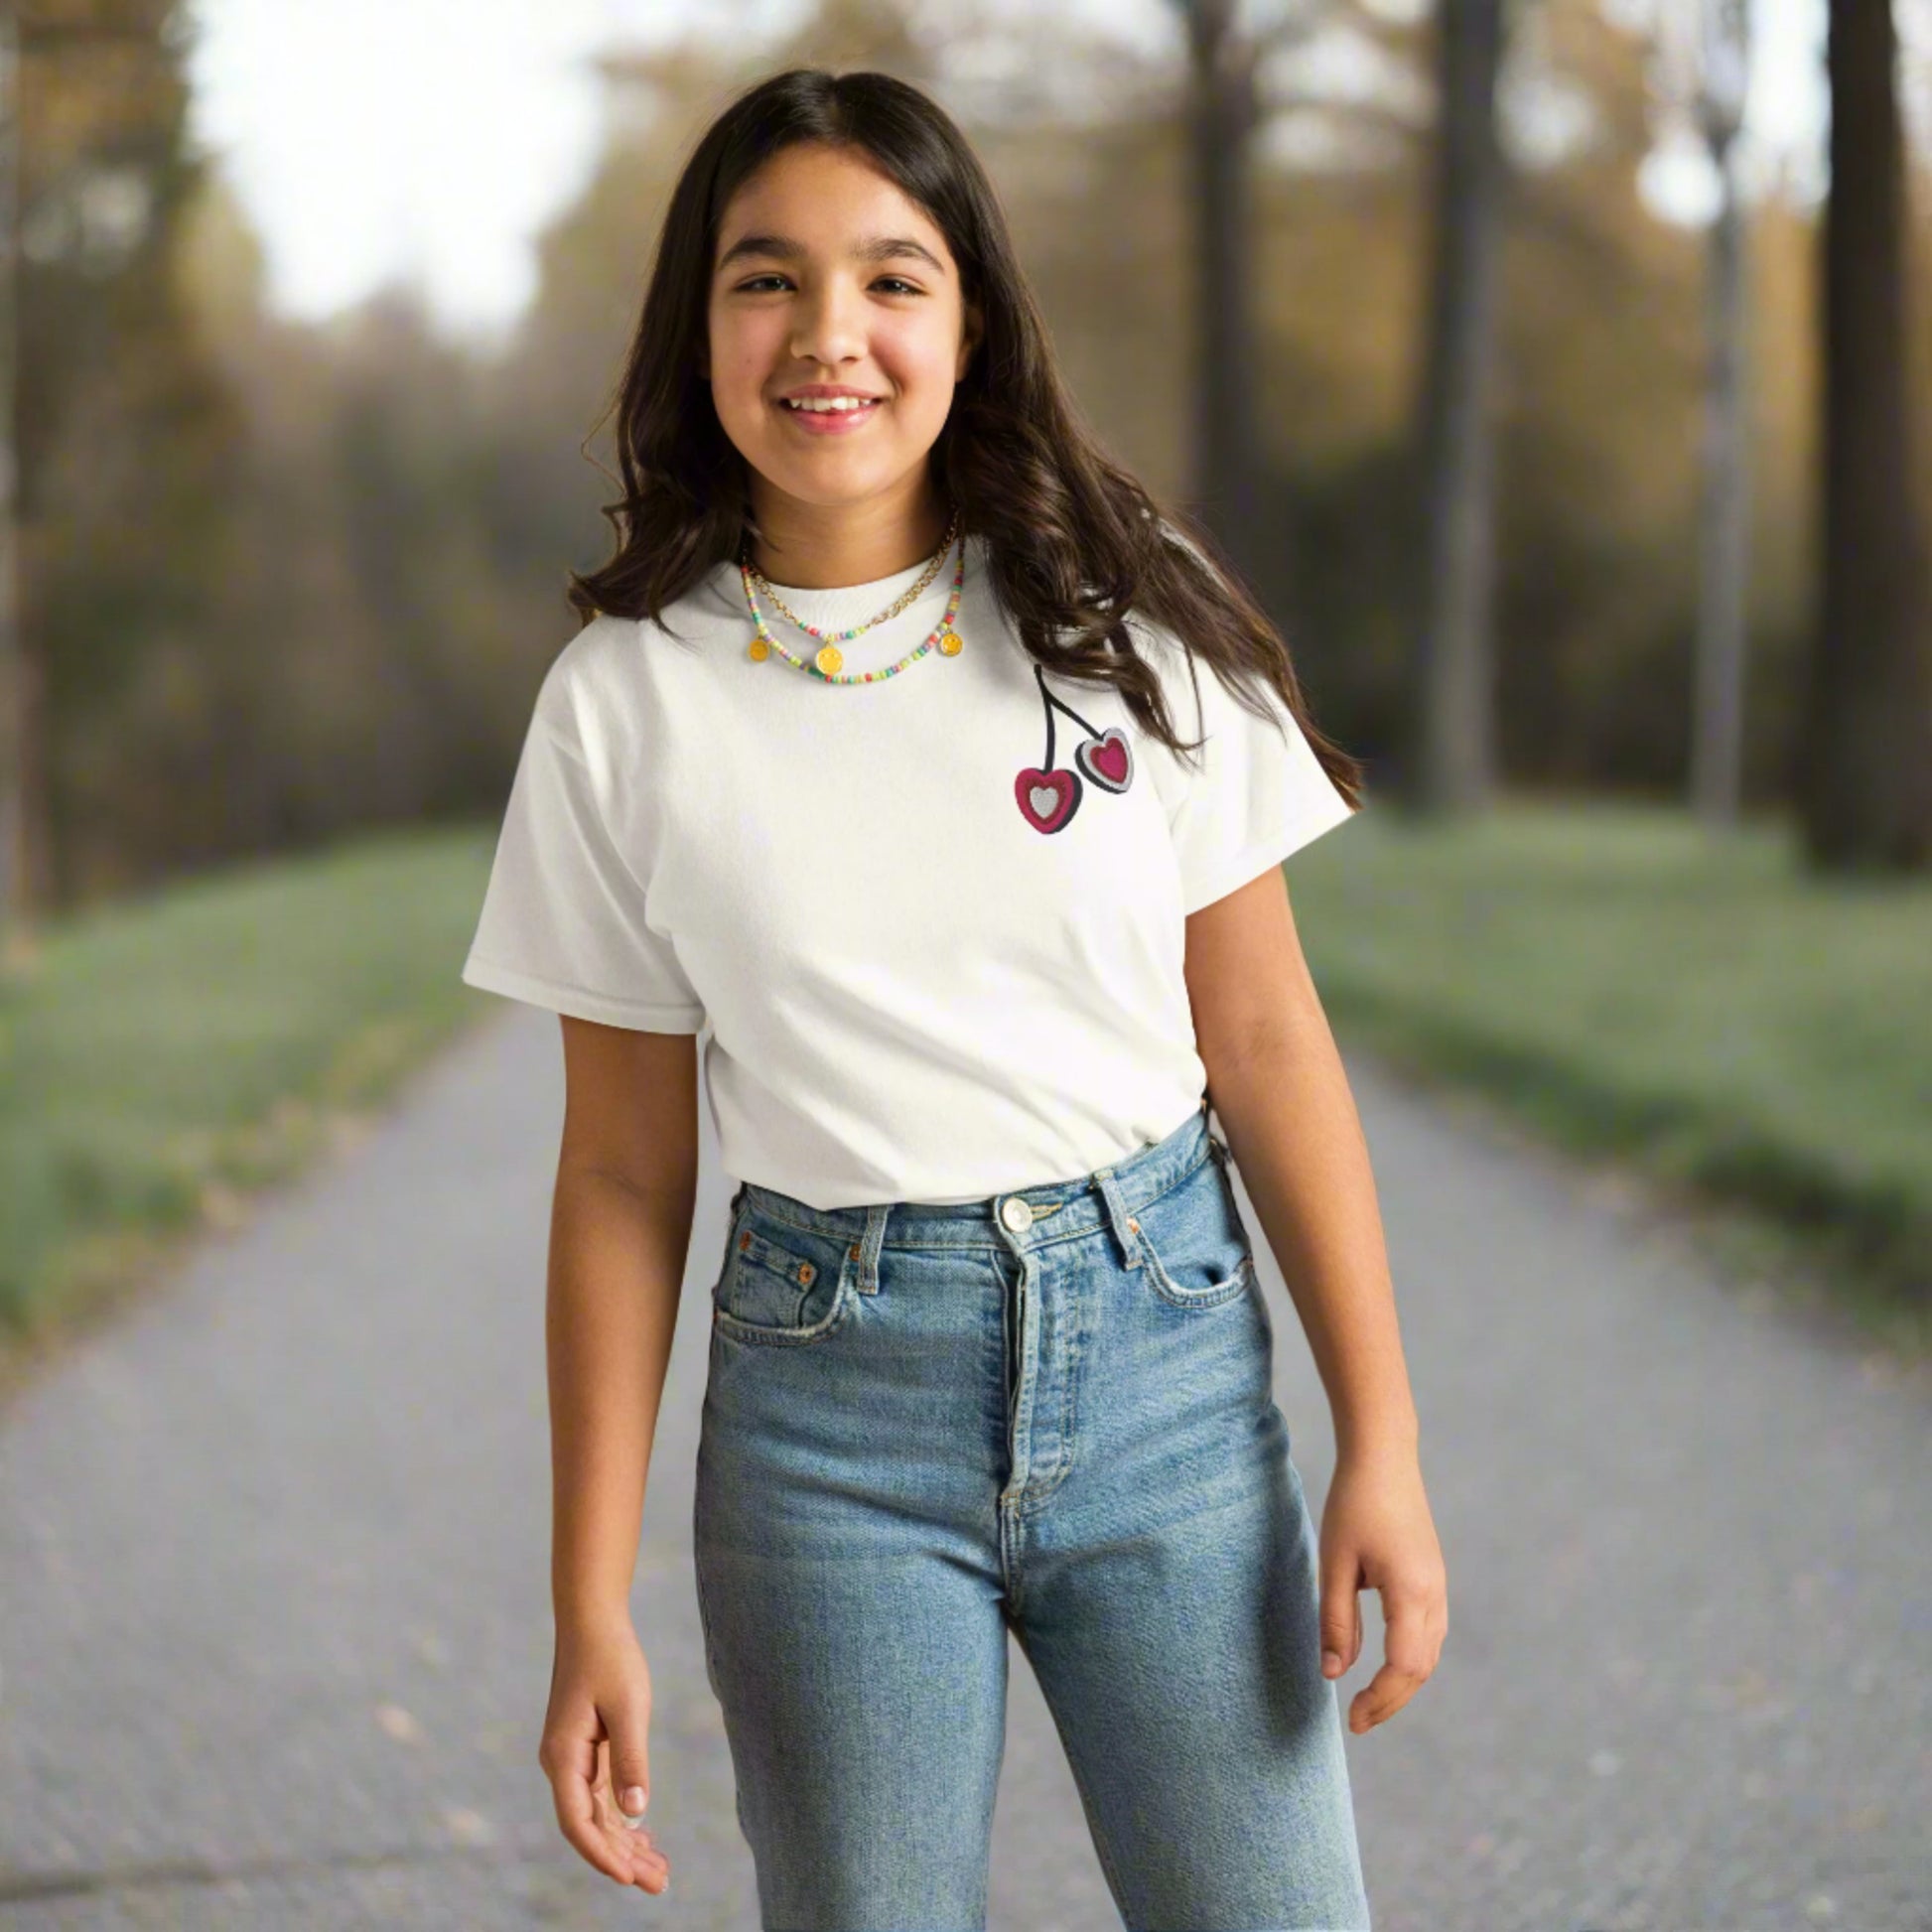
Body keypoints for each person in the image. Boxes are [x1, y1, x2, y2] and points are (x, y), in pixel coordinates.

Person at [459, 63, 1445, 1932]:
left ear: (971, 321)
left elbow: (1262, 1042)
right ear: (695, 325)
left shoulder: (1121, 616)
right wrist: (589, 1596)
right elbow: (621, 1174)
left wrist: (1377, 1438)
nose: (827, 332)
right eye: (766, 277)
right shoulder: (622, 704)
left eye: (890, 278)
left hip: (1163, 1375)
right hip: (828, 1430)